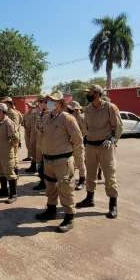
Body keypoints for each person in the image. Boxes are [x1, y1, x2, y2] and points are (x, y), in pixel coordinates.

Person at [35, 91, 83, 233]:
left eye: (53, 101)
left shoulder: (67, 118)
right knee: (50, 187)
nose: (49, 103)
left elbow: (78, 141)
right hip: (48, 160)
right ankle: (51, 210)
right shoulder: (46, 118)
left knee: (66, 189)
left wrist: (78, 163)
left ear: (60, 103)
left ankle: (69, 217)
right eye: (48, 100)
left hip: (63, 160)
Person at [76, 85, 123, 219]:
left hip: (105, 146)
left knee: (109, 174)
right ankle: (89, 199)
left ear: (97, 94)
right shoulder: (88, 109)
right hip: (91, 145)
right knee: (91, 173)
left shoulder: (110, 107)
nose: (88, 95)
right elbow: (85, 127)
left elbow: (118, 126)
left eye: (90, 93)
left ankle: (113, 204)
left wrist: (113, 139)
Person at [0, 103, 19, 203]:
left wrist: (9, 147)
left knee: (9, 173)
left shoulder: (8, 123)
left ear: (3, 111)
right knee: (0, 172)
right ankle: (3, 190)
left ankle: (13, 194)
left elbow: (15, 139)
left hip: (7, 152)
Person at [68, 101, 87, 190]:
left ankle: (82, 180)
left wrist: (77, 138)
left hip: (78, 143)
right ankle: (71, 179)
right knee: (70, 162)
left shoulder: (81, 118)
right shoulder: (69, 117)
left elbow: (84, 131)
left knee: (80, 162)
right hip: (69, 143)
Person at [1, 97, 22, 174]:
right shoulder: (8, 112)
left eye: (5, 103)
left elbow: (15, 126)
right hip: (8, 136)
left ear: (8, 103)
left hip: (13, 136)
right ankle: (11, 170)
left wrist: (13, 137)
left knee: (14, 155)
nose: (4, 104)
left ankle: (16, 171)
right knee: (10, 155)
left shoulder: (13, 113)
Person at [32, 95, 48, 190]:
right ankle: (42, 181)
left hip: (47, 144)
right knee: (40, 164)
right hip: (40, 143)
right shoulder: (40, 114)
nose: (39, 104)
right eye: (39, 102)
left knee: (47, 165)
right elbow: (36, 127)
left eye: (41, 102)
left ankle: (47, 183)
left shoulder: (50, 114)